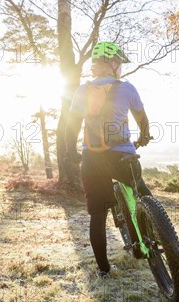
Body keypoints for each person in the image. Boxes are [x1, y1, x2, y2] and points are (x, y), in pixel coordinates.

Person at [65, 41, 151, 276]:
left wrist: (72, 154)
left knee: (98, 215)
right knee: (143, 193)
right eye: (119, 63)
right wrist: (144, 137)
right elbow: (142, 120)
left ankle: (104, 269)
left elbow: (70, 128)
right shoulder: (127, 88)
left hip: (92, 161)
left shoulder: (82, 91)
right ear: (111, 63)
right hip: (122, 158)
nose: (121, 67)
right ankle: (156, 233)